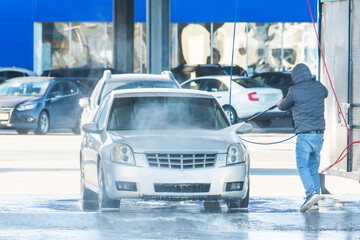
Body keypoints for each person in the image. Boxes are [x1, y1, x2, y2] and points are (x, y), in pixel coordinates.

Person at [277, 63, 328, 212]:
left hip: (305, 135)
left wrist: (280, 102)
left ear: (295, 77)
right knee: (313, 166)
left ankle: (310, 193)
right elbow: (325, 93)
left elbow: (282, 107)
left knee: (302, 166)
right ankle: (315, 201)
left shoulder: (294, 91)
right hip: (319, 135)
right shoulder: (319, 86)